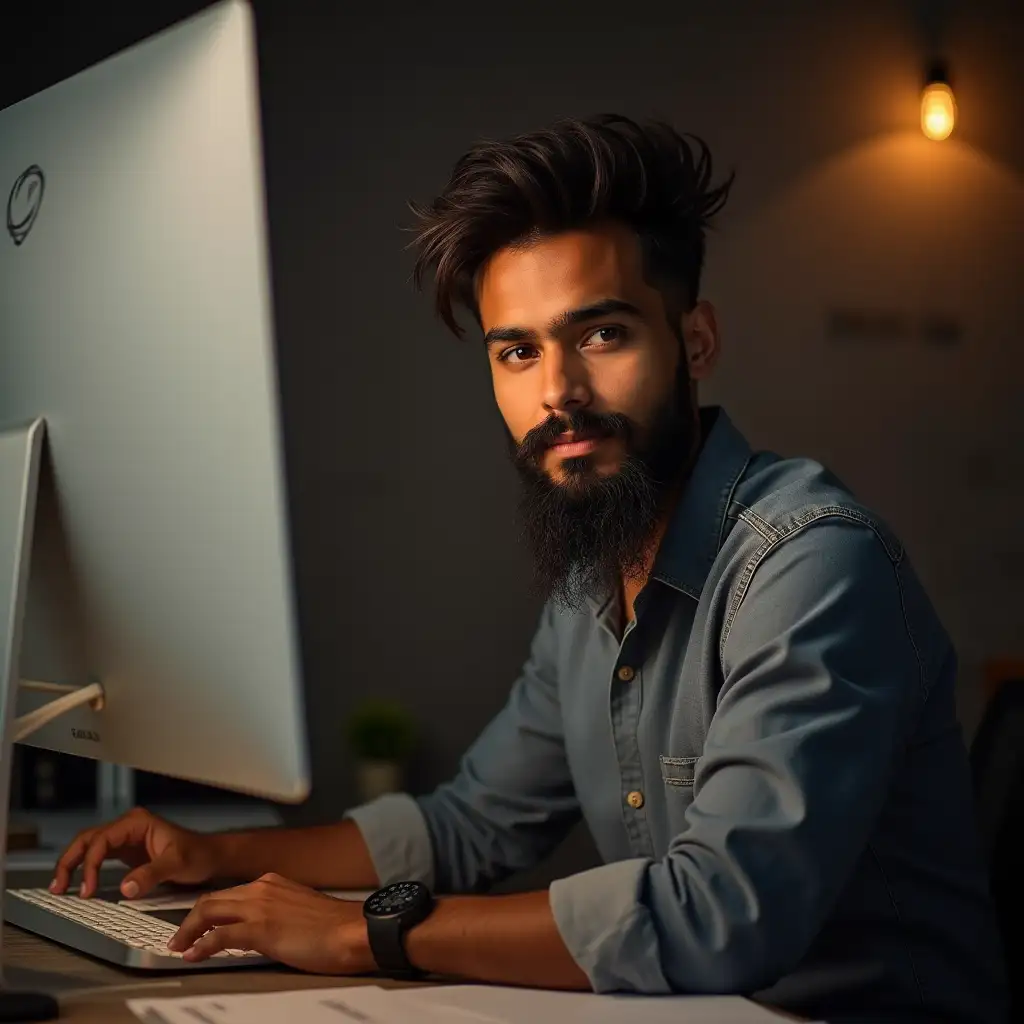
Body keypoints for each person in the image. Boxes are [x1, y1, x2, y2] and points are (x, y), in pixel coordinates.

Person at [52, 115, 1007, 1023]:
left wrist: (366, 932)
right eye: (518, 351)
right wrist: (216, 855)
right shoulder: (593, 572)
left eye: (602, 334)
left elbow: (723, 911)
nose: (558, 394)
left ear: (696, 340)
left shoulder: (810, 563)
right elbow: (472, 824)